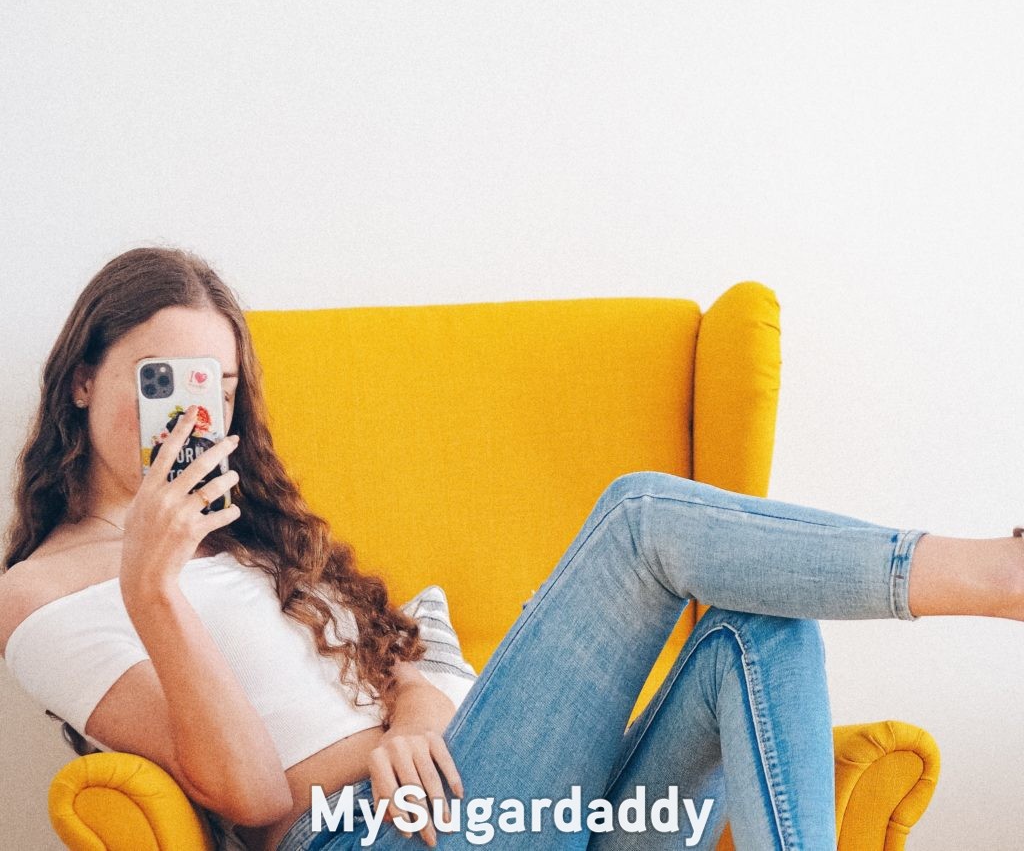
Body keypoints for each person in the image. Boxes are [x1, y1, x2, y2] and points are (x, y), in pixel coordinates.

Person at [1, 247, 1022, 851]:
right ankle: (992, 574)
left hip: (494, 800)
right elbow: (251, 795)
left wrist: (414, 716)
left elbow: (423, 651)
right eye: (160, 380)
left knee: (761, 631)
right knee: (636, 519)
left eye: (216, 388)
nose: (193, 415)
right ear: (83, 380)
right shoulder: (40, 594)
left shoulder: (262, 545)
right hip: (374, 835)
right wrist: (154, 588)